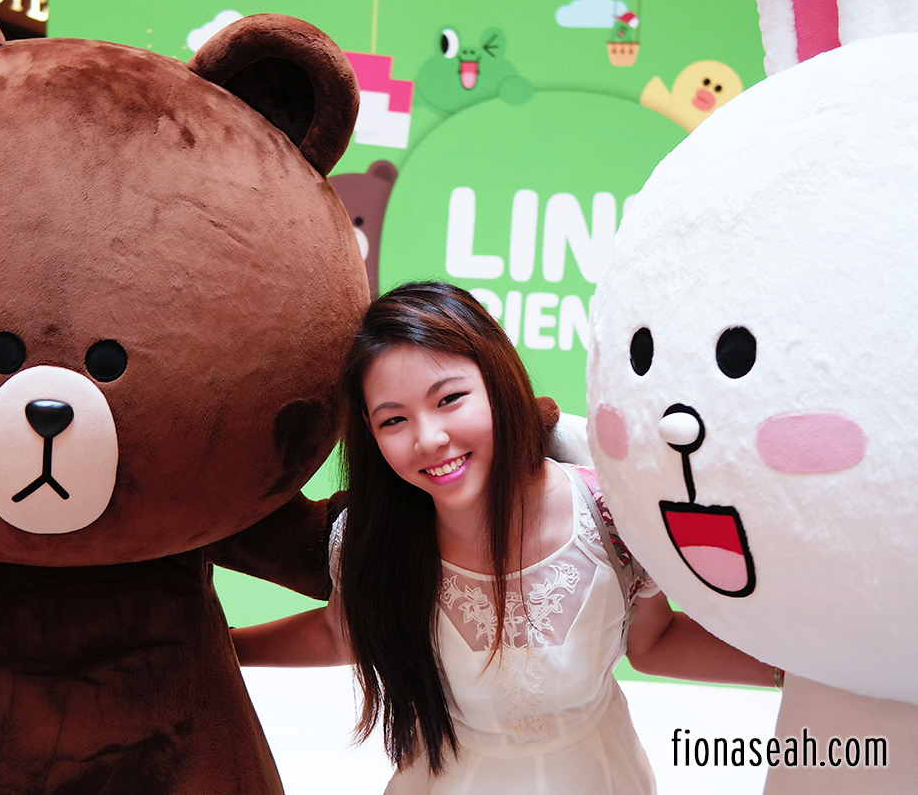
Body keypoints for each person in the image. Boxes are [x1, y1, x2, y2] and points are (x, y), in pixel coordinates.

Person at [232, 281, 777, 794]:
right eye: (393, 420)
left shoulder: (609, 514)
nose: (429, 438)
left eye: (449, 399)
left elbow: (653, 643)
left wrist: (800, 671)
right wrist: (224, 650)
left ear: (498, 383)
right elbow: (343, 633)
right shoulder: (373, 539)